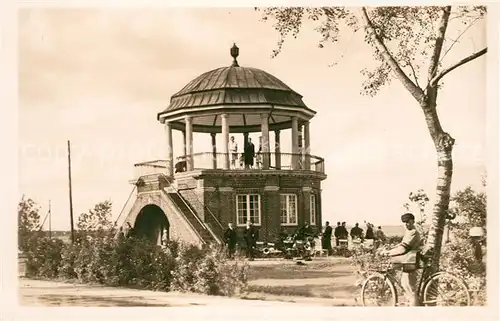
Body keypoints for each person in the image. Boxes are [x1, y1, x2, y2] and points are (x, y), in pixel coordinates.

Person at [380, 213, 421, 306]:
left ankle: (416, 309)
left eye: (408, 222)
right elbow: (401, 245)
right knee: (404, 283)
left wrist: (388, 253)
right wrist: (390, 249)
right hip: (407, 260)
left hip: (411, 261)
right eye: (405, 223)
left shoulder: (413, 232)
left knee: (409, 288)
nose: (406, 224)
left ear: (413, 221)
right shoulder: (408, 232)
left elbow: (403, 249)